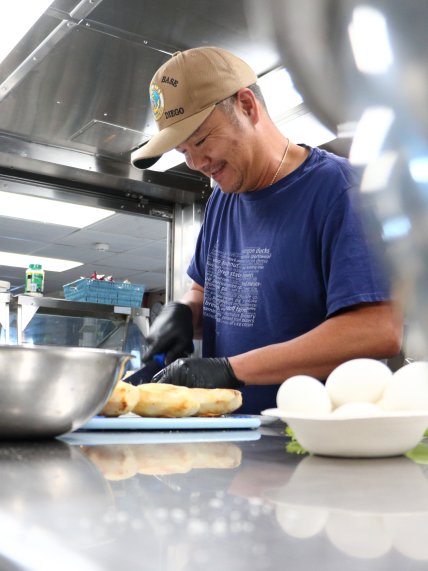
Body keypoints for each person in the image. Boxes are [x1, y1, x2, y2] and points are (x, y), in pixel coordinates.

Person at [131, 46, 402, 414]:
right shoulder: (221, 201)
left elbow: (378, 330)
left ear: (247, 106)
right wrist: (182, 312)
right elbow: (203, 290)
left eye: (200, 140)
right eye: (182, 151)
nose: (196, 162)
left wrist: (230, 370)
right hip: (229, 439)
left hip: (312, 443)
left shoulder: (339, 190)